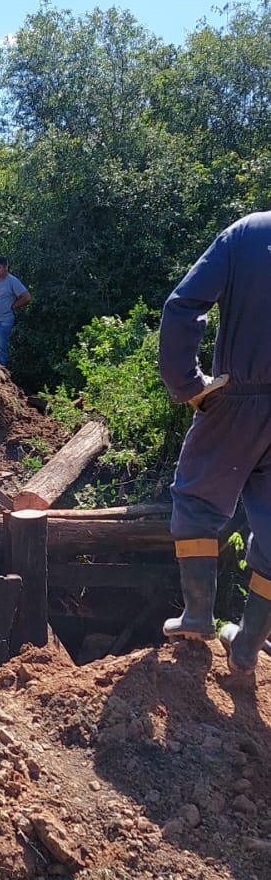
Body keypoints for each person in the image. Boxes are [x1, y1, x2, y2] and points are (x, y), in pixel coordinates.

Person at [159, 210, 271, 677]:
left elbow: (183, 305)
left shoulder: (249, 233)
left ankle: (198, 616)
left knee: (196, 498)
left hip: (239, 398)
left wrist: (188, 384)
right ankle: (247, 646)